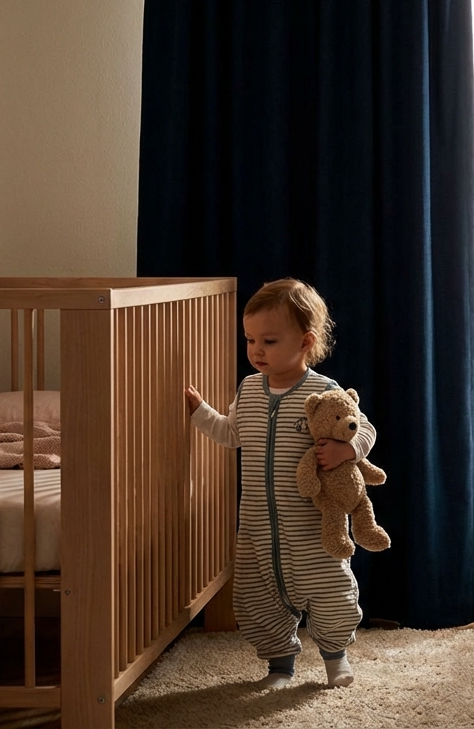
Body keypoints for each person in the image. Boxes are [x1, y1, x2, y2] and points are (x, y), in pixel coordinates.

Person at [184, 278, 376, 688]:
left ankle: (335, 656)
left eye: (268, 341)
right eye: (250, 339)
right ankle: (279, 666)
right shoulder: (250, 388)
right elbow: (230, 433)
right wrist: (199, 411)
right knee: (256, 598)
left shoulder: (324, 392)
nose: (256, 350)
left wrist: (348, 451)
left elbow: (364, 429)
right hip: (256, 524)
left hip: (309, 523)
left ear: (305, 341)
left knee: (329, 590)